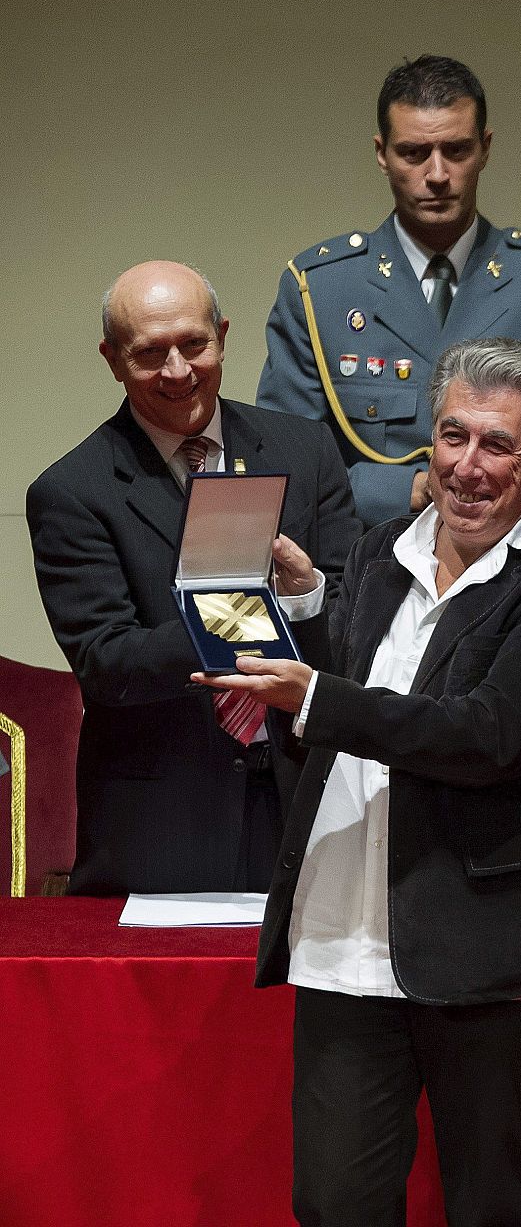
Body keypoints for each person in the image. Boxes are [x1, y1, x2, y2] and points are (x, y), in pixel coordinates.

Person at [195, 338, 521, 1227]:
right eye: (451, 435)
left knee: (487, 1207)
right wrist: (299, 608)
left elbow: (489, 734)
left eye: (497, 445)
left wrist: (317, 695)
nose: (467, 466)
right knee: (334, 1204)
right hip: (343, 937)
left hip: (482, 953)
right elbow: (344, 687)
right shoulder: (381, 549)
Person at [27, 260, 361, 896]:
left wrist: (307, 596)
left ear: (224, 336)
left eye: (194, 345)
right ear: (112, 359)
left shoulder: (305, 453)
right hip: (160, 823)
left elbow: (353, 624)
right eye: (151, 353)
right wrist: (253, 610)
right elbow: (106, 662)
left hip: (304, 800)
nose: (178, 372)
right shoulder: (73, 492)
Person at [257, 53, 521, 527]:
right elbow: (289, 469)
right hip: (369, 567)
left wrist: (481, 496)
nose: (438, 174)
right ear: (382, 154)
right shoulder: (320, 289)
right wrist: (411, 490)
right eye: (414, 153)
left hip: (514, 571)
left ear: (485, 148)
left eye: (457, 150)